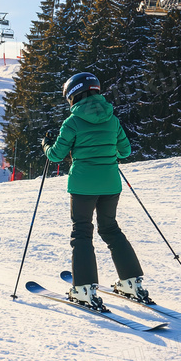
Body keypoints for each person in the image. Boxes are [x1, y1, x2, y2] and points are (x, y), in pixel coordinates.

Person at [42, 72, 149, 311]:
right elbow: (124, 151)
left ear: (73, 95)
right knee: (110, 229)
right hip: (111, 184)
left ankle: (84, 289)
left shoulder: (73, 122)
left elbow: (56, 155)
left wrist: (46, 143)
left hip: (82, 186)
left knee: (82, 232)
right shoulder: (112, 119)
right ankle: (131, 282)